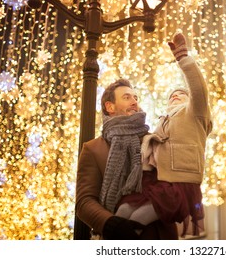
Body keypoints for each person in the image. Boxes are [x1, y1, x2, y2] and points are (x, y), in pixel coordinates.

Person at [114, 32, 213, 237]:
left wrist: (183, 57)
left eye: (181, 94)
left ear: (189, 99)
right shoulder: (163, 120)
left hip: (180, 180)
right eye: (171, 96)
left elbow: (198, 88)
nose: (175, 95)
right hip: (158, 181)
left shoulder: (195, 112)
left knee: (137, 220)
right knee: (122, 212)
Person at [75, 78, 179, 240]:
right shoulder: (93, 149)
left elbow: (177, 186)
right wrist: (110, 223)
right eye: (127, 97)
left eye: (135, 98)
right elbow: (84, 202)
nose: (134, 102)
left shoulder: (156, 141)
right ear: (110, 107)